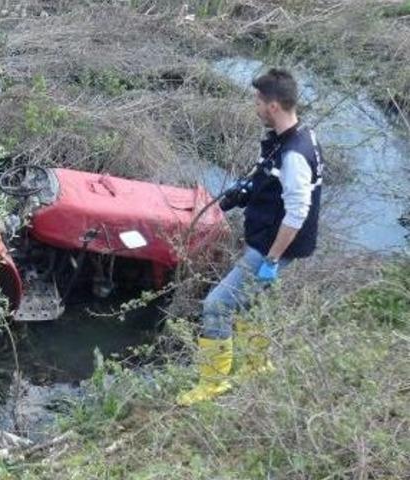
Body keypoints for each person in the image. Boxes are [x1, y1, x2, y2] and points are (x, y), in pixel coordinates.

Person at [177, 68, 324, 406]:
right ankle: (258, 366)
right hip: (266, 238)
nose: (255, 107)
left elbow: (298, 212)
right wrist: (235, 197)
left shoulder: (295, 154)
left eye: (258, 102)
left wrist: (271, 260)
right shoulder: (293, 137)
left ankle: (213, 383)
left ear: (273, 105)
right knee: (251, 302)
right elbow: (267, 183)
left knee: (216, 304)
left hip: (271, 247)